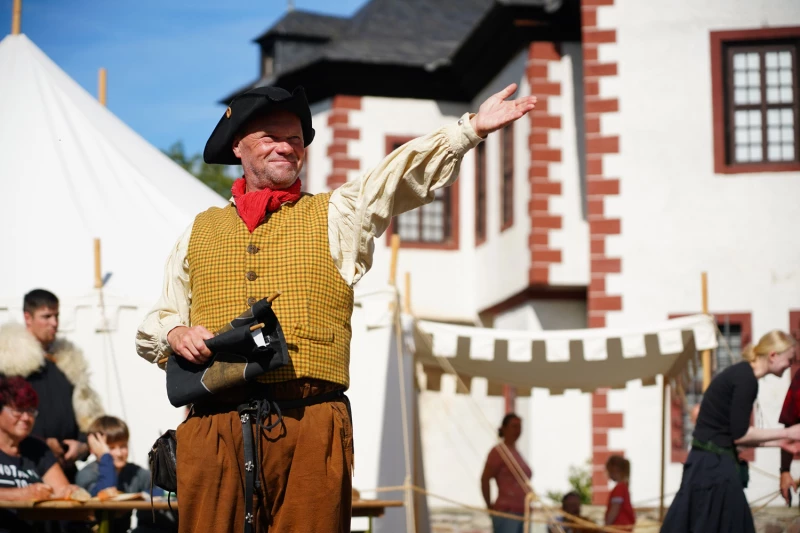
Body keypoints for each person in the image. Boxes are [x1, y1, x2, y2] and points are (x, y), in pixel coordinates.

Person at [135, 84, 537, 533]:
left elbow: (394, 175)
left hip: (309, 423)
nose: (286, 146)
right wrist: (175, 333)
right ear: (238, 145)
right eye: (271, 136)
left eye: (295, 138)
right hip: (213, 426)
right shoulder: (199, 231)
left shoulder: (338, 214)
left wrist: (468, 131)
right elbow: (161, 316)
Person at [661, 330, 800, 533]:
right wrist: (787, 434)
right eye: (790, 359)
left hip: (707, 465)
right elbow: (741, 434)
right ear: (773, 355)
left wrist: (777, 443)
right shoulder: (747, 380)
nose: (791, 365)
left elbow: (734, 435)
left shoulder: (742, 373)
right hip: (712, 468)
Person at [0, 289, 103, 482]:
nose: (54, 323)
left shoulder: (69, 362)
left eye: (56, 316)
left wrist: (81, 444)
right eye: (46, 316)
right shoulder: (8, 363)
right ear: (27, 317)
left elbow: (87, 415)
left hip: (66, 469)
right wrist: (42, 444)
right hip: (23, 469)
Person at [0, 376, 80, 533]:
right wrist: (22, 494)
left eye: (30, 411)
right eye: (18, 410)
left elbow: (62, 490)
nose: (26, 418)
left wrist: (70, 492)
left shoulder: (37, 449)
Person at [75, 416, 175, 533]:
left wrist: (142, 495)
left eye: (123, 446)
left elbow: (168, 490)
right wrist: (105, 457)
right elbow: (106, 493)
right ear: (94, 449)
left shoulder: (135, 473)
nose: (119, 453)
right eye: (111, 448)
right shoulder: (86, 474)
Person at [481, 413, 533, 533]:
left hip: (523, 511)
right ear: (504, 428)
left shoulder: (516, 451)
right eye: (514, 426)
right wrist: (489, 506)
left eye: (519, 427)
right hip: (507, 511)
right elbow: (485, 479)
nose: (517, 430)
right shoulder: (498, 451)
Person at [604, 455, 634, 530]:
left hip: (618, 528)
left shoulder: (619, 488)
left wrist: (606, 526)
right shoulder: (624, 487)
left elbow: (615, 509)